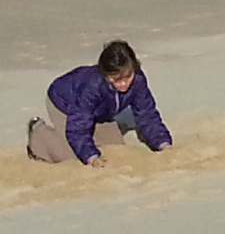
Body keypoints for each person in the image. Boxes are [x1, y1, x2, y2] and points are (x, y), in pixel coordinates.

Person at [31, 38, 174, 166]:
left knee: (114, 146)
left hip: (100, 112)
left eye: (127, 76)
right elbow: (78, 127)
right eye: (116, 79)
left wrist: (163, 144)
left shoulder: (138, 80)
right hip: (63, 103)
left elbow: (147, 114)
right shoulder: (92, 87)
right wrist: (91, 158)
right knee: (73, 156)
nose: (123, 84)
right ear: (105, 75)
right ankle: (39, 132)